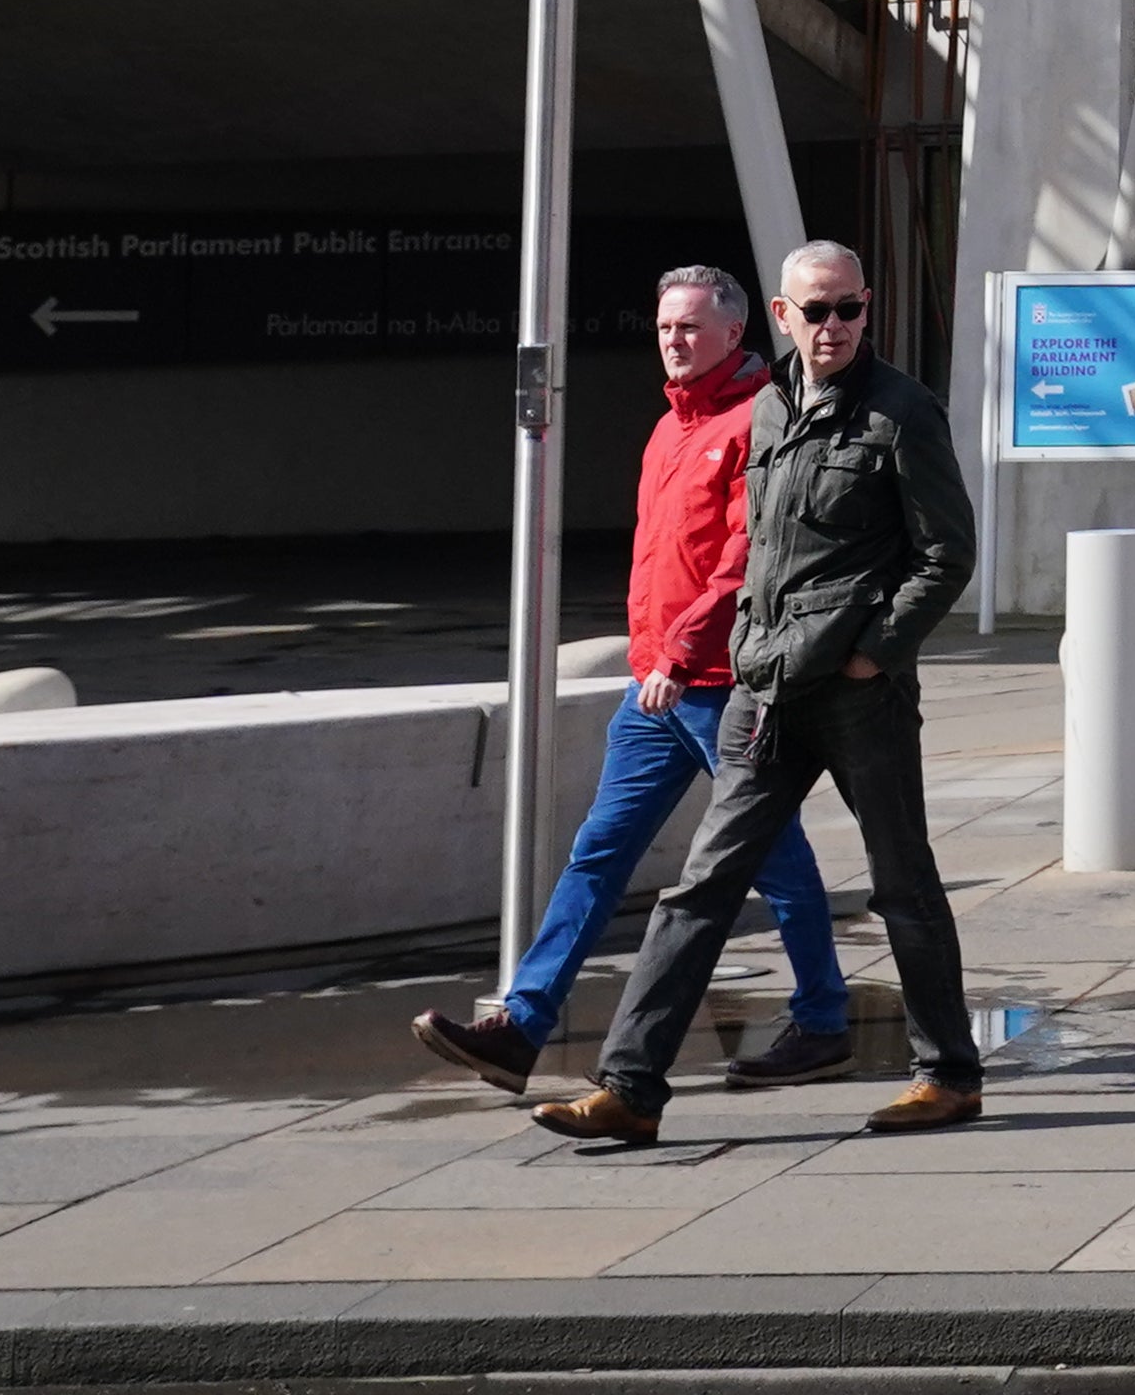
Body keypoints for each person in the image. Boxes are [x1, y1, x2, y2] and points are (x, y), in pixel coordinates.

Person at [530, 242, 982, 1144]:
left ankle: (949, 1076)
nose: (833, 327)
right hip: (766, 690)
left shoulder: (902, 411)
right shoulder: (772, 406)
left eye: (848, 308)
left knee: (903, 884)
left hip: (858, 693)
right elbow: (761, 551)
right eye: (816, 311)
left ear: (866, 307)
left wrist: (875, 653)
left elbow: (946, 554)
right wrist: (746, 644)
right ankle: (630, 1088)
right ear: (783, 316)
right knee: (701, 888)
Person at [413, 266, 856, 1097]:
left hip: (722, 684)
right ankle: (521, 1025)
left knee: (774, 856)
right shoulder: (668, 428)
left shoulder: (760, 420)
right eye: (664, 328)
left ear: (734, 333)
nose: (674, 341)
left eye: (690, 327)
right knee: (598, 854)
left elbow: (745, 562)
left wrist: (680, 657)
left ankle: (824, 1021)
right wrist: (654, 659)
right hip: (656, 688)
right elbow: (662, 561)